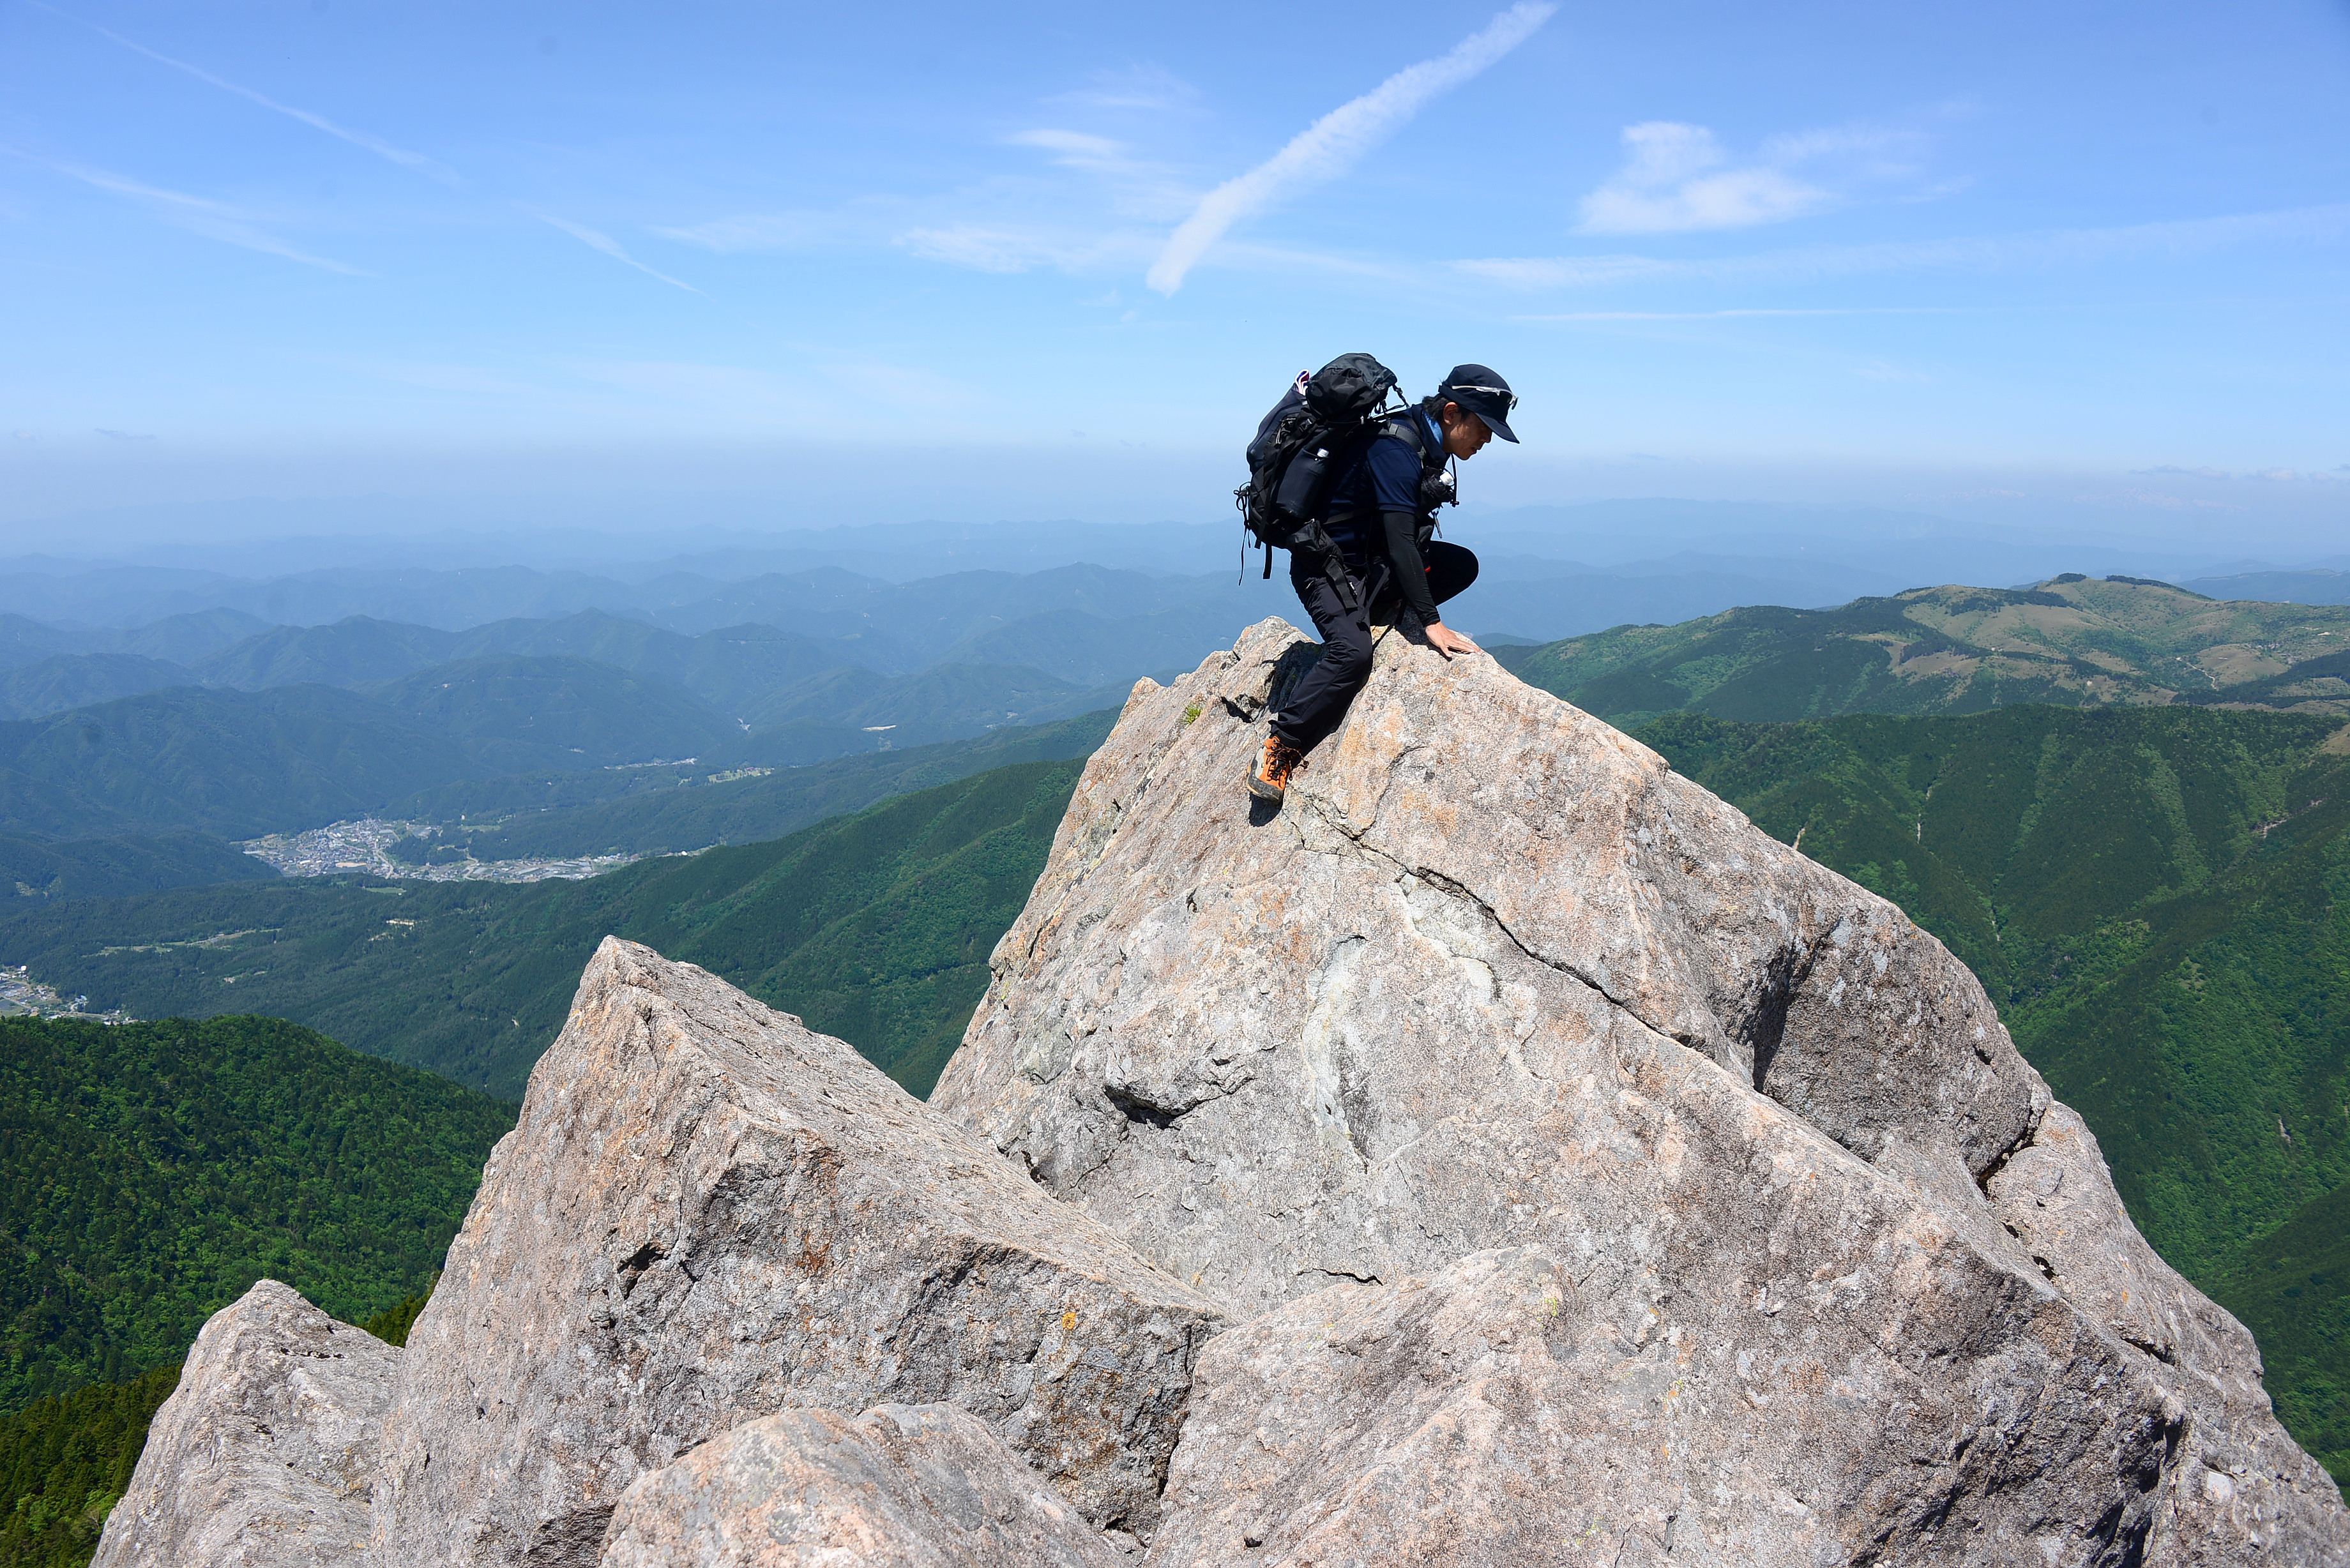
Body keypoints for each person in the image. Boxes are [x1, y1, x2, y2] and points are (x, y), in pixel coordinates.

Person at [1248, 364, 1517, 802]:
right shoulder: (1397, 448)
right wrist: (1430, 621)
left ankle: (1376, 609)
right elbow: (1399, 541)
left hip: (1368, 564)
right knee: (1353, 657)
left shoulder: (1429, 442)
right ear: (1452, 413)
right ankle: (1281, 744)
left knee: (1461, 565)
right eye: (1484, 427)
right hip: (1325, 568)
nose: (1487, 440)